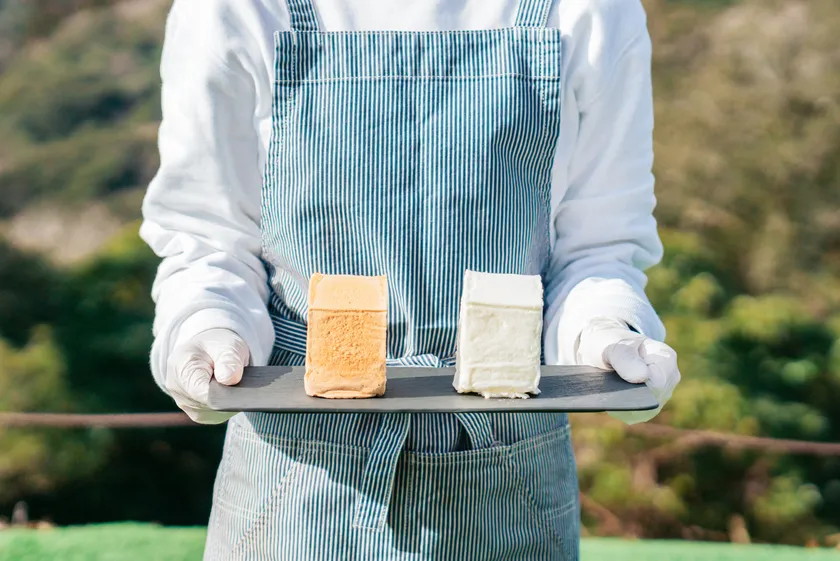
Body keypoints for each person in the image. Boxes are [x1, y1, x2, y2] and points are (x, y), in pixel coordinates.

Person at [140, 0, 681, 558]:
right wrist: (208, 328)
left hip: (510, 482)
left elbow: (598, 247)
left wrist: (607, 335)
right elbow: (208, 237)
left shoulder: (590, 9)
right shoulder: (235, 8)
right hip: (291, 483)